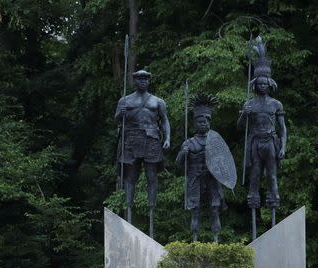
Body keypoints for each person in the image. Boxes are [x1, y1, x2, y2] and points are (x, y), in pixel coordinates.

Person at [115, 69, 170, 237]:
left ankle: (152, 210)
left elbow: (165, 121)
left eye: (146, 79)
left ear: (149, 81)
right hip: (130, 140)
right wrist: (121, 113)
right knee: (130, 178)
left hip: (151, 139)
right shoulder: (125, 100)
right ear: (134, 81)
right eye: (139, 78)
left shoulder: (157, 102)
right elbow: (116, 119)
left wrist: (167, 138)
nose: (143, 81)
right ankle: (129, 210)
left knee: (151, 176)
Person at [237, 37, 287, 221]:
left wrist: (283, 147)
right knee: (256, 174)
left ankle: (274, 200)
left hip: (271, 141)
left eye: (266, 84)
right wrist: (244, 114)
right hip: (255, 142)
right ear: (256, 84)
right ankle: (253, 201)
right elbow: (240, 127)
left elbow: (283, 128)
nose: (263, 86)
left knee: (272, 176)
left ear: (270, 84)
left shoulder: (276, 104)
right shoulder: (249, 104)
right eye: (260, 84)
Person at [175, 93, 236, 243]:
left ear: (209, 122)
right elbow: (178, 165)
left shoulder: (215, 141)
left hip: (212, 178)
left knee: (214, 210)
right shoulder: (189, 143)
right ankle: (195, 240)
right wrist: (183, 154)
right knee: (195, 211)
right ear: (195, 123)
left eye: (205, 121)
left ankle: (215, 239)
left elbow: (223, 163)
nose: (203, 124)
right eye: (199, 121)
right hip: (195, 177)